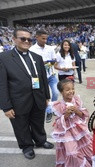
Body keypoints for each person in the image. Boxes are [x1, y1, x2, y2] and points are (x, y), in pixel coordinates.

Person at [0, 27, 54, 160]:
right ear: (14, 39)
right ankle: (26, 146)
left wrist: (46, 96)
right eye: (22, 38)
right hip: (18, 100)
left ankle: (40, 140)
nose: (26, 41)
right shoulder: (4, 58)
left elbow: (43, 78)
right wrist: (6, 107)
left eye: (29, 39)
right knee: (21, 125)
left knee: (38, 122)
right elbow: (2, 84)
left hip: (38, 98)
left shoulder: (37, 57)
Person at [51, 79, 92, 167]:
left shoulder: (77, 100)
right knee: (72, 153)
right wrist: (66, 115)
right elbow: (57, 123)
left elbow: (83, 115)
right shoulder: (59, 106)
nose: (71, 91)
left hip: (79, 128)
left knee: (86, 148)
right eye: (67, 90)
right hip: (67, 131)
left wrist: (77, 111)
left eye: (72, 89)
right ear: (61, 92)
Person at [29, 29, 59, 123]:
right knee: (40, 95)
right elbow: (30, 64)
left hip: (51, 75)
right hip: (37, 77)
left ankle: (51, 109)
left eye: (46, 39)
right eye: (43, 38)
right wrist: (41, 63)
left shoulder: (50, 48)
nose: (45, 41)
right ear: (36, 37)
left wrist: (52, 61)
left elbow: (54, 60)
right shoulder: (31, 49)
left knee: (56, 92)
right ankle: (46, 110)